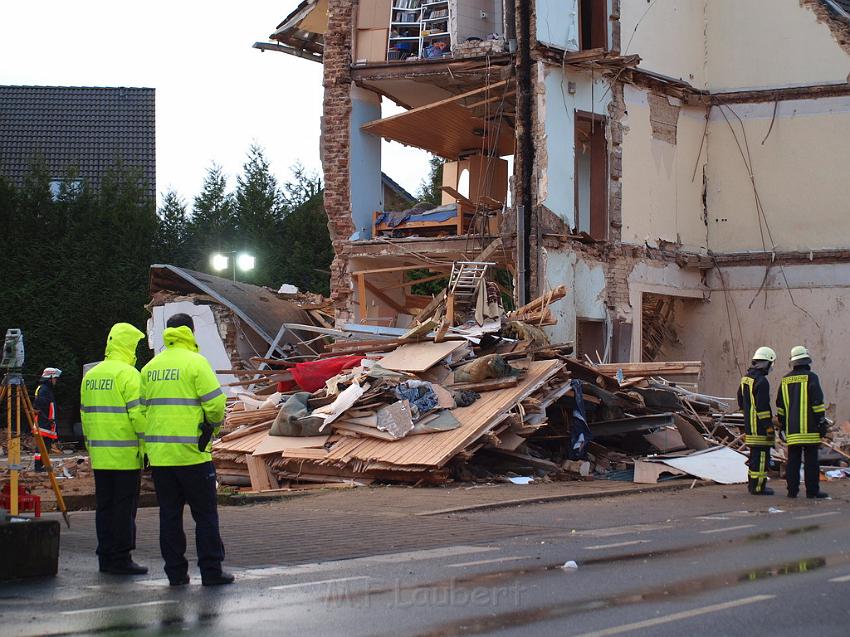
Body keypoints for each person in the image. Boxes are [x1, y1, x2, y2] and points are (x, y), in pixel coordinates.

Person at [141, 313, 233, 586]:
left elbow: (144, 409)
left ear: (168, 333)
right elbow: (216, 405)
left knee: (169, 516)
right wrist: (212, 428)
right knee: (204, 515)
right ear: (191, 332)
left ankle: (175, 574)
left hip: (160, 458)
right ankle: (211, 572)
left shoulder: (150, 368)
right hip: (193, 454)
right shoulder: (196, 363)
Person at [80, 323, 148, 575]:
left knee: (105, 506)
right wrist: (147, 448)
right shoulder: (129, 375)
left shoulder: (92, 375)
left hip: (100, 455)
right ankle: (121, 557)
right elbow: (138, 417)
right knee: (123, 508)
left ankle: (105, 556)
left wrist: (91, 447)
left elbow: (85, 416)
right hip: (125, 455)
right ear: (128, 345)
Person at [776, 346, 829, 499]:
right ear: (807, 361)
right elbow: (817, 402)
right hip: (810, 429)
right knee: (811, 462)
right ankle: (812, 491)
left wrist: (783, 425)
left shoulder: (785, 380)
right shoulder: (812, 377)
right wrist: (821, 422)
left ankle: (792, 492)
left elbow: (780, 405)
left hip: (792, 430)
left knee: (793, 461)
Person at [737, 347, 776, 495]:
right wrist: (769, 428)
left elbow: (740, 399)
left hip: (749, 426)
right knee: (761, 458)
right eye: (771, 364)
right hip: (759, 427)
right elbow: (763, 408)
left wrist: (746, 413)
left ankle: (751, 485)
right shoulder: (762, 382)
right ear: (766, 363)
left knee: (754, 457)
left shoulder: (745, 379)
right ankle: (758, 487)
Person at [33, 367, 62, 471]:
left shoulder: (45, 389)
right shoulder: (44, 390)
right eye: (55, 378)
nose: (56, 381)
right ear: (49, 378)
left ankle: (41, 465)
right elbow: (40, 407)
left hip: (45, 422)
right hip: (44, 423)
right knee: (42, 446)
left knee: (44, 446)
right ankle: (38, 466)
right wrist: (48, 420)